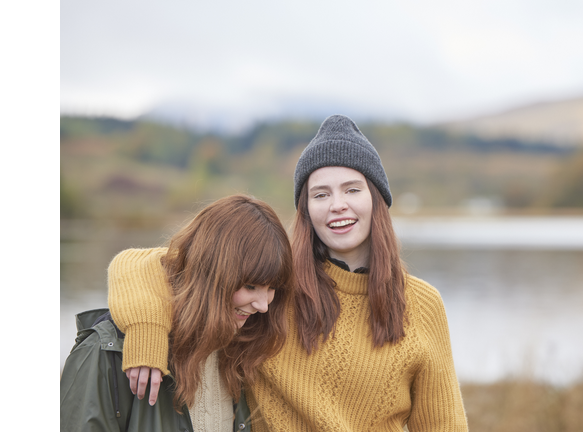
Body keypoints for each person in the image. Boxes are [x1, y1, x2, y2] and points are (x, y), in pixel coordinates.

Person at [107, 115, 469, 431]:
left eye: (352, 189)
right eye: (321, 194)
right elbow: (139, 264)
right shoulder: (275, 287)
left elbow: (444, 426)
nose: (337, 204)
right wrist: (147, 332)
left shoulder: (421, 304)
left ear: (377, 199)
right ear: (306, 209)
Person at [60, 194, 294, 431]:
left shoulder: (243, 349)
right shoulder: (107, 353)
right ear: (209, 273)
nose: (263, 305)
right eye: (250, 286)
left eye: (272, 287)